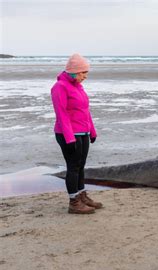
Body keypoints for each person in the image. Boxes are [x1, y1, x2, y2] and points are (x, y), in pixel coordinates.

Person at [51, 53, 103, 214]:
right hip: (68, 134)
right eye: (83, 73)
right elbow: (62, 114)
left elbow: (85, 111)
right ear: (74, 71)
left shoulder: (78, 87)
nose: (85, 76)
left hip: (83, 132)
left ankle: (82, 196)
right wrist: (69, 137)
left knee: (81, 166)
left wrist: (92, 131)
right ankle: (74, 202)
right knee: (73, 167)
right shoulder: (59, 87)